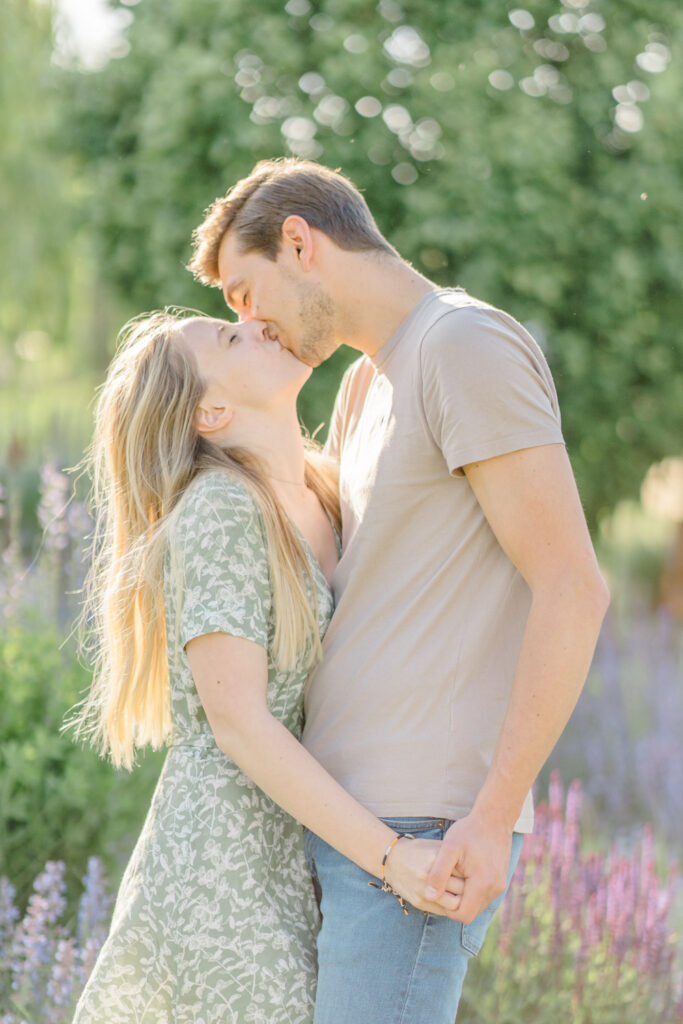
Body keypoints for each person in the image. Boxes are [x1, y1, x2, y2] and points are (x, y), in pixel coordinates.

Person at [188, 158, 611, 1024]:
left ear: (300, 243)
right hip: (354, 830)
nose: (247, 320)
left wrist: (489, 820)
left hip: (425, 838)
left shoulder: (463, 345)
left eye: (243, 291)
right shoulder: (361, 386)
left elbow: (572, 585)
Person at [70, 310, 464, 1024]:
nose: (252, 323)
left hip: (300, 851)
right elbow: (241, 725)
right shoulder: (220, 509)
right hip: (224, 872)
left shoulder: (323, 494)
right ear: (210, 411)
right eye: (227, 337)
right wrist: (390, 856)